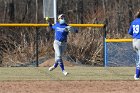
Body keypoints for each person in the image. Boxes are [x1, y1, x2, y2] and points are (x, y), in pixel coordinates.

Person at [128, 10, 140, 80]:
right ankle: (137, 76)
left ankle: (137, 74)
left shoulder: (134, 21)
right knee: (139, 60)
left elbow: (130, 32)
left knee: (138, 59)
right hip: (139, 41)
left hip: (134, 41)